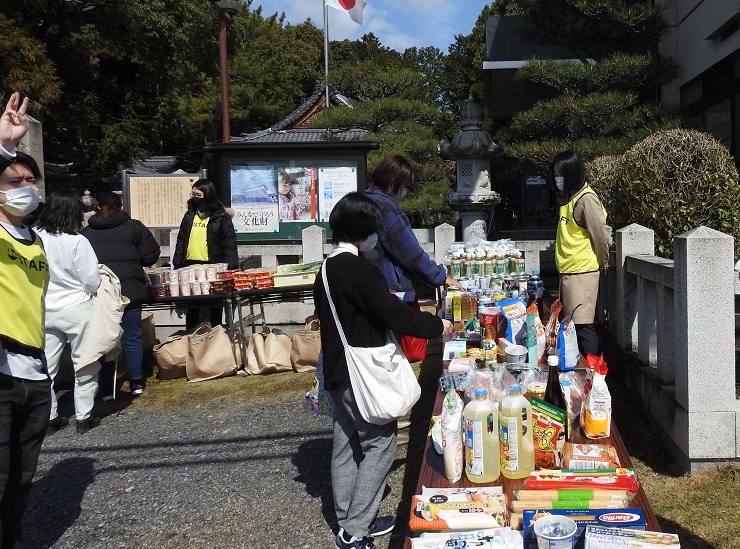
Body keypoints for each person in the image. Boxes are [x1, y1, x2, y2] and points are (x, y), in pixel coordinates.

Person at [314, 192, 454, 549]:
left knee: (346, 445)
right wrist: (436, 326)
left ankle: (350, 519)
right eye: (374, 229)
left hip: (338, 372)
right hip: (364, 373)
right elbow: (393, 313)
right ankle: (355, 531)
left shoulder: (327, 268)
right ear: (363, 231)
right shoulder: (360, 269)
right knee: (381, 444)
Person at [0, 91, 51, 547]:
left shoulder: (34, 240)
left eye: (30, 179)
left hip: (34, 373)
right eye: (14, 179)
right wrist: (4, 148)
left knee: (20, 481)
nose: (26, 186)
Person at [35, 191, 102, 434]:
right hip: (76, 307)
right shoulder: (77, 241)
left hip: (43, 307)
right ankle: (83, 417)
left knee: (45, 366)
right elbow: (91, 280)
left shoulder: (34, 237)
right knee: (84, 361)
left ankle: (51, 417)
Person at [84, 192, 160, 398]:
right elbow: (150, 254)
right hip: (131, 290)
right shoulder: (134, 227)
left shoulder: (88, 232)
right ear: (121, 206)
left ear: (98, 207)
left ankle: (107, 387)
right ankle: (136, 382)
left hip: (103, 292)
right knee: (133, 337)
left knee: (106, 339)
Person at [551, 150, 609, 357]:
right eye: (556, 174)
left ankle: (593, 375)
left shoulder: (587, 200)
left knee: (583, 325)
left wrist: (603, 264)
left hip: (582, 272)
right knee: (573, 325)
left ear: (571, 173)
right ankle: (584, 372)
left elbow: (600, 237)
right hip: (570, 271)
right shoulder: (572, 197)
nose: (557, 179)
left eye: (560, 174)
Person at [172, 179, 239, 329]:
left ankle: (216, 338)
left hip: (213, 266)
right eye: (193, 194)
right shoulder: (189, 215)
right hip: (190, 265)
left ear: (208, 195)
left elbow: (230, 245)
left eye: (199, 194)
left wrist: (232, 270)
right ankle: (191, 338)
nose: (195, 197)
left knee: (215, 305)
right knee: (192, 306)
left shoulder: (221, 217)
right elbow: (181, 241)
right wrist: (177, 264)